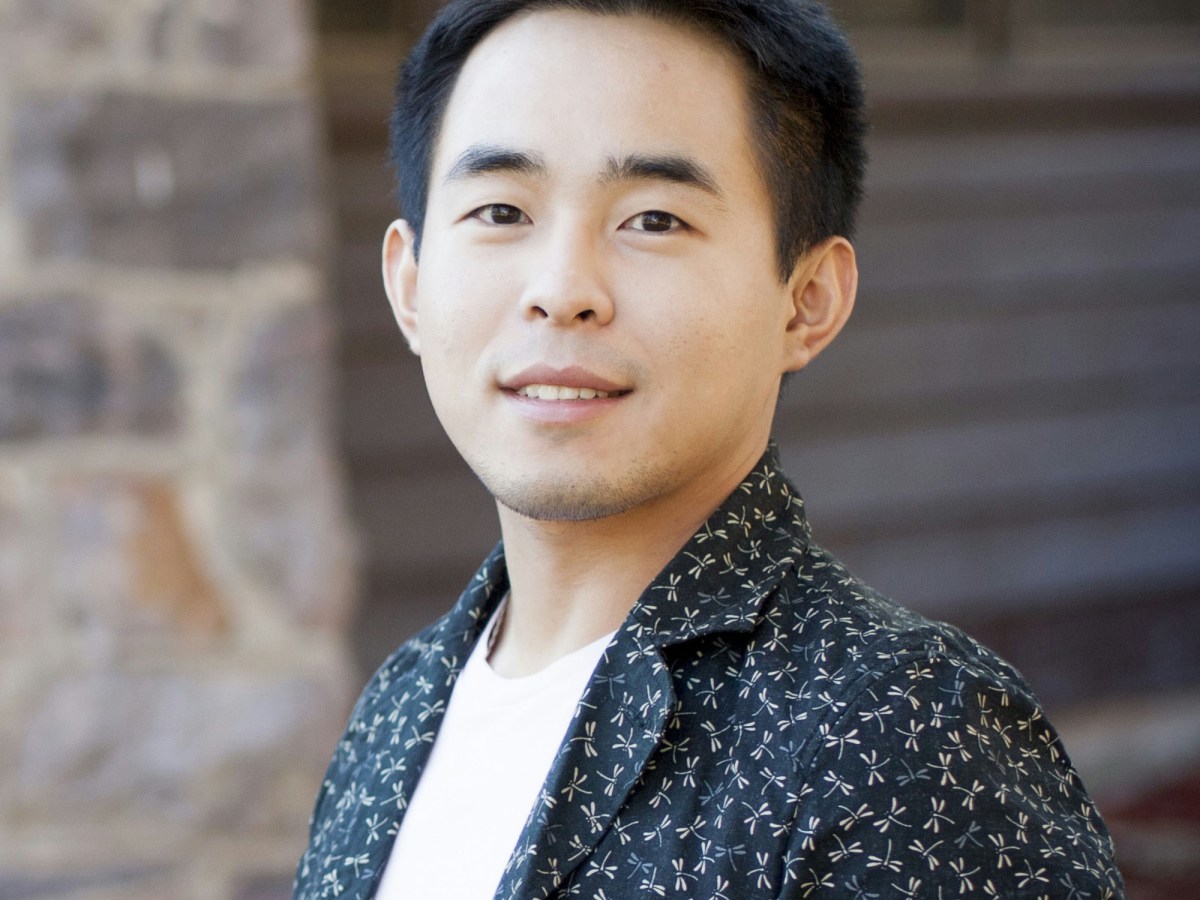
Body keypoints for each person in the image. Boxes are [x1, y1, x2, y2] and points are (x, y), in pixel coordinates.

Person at [295, 0, 1125, 896]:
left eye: (653, 219)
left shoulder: (902, 736)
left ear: (805, 300)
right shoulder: (397, 707)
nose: (562, 290)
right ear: (410, 285)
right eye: (500, 209)